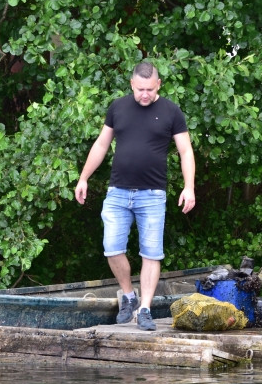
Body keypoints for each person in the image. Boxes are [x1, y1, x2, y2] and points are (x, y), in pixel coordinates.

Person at [74, 61, 196, 331]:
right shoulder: (118, 107)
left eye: (150, 90)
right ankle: (129, 295)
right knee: (112, 248)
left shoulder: (171, 111)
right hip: (117, 193)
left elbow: (186, 151)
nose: (145, 94)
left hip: (152, 195)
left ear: (158, 85)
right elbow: (102, 144)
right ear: (131, 85)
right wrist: (83, 178)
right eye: (140, 89)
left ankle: (145, 310)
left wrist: (189, 187)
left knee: (151, 253)